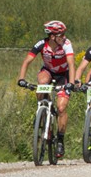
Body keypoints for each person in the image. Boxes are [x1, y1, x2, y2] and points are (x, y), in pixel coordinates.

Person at [17, 20, 76, 158]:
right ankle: (44, 111)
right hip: (48, 71)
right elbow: (27, 61)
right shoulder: (41, 44)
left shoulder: (66, 44)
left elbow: (71, 64)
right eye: (61, 35)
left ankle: (60, 140)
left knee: (61, 108)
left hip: (64, 75)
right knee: (41, 83)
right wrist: (21, 79)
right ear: (52, 36)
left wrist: (71, 83)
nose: (64, 37)